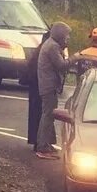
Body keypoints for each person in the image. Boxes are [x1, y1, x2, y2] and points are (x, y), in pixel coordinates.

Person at [35, 22, 77, 160]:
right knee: (48, 115)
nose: (68, 38)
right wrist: (75, 58)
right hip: (49, 86)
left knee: (48, 115)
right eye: (66, 35)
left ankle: (46, 144)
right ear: (60, 34)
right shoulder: (52, 46)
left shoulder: (51, 44)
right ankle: (42, 147)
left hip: (47, 84)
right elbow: (61, 65)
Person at [22, 32, 49, 150]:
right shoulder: (44, 51)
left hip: (34, 85)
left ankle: (36, 140)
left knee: (35, 114)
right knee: (38, 114)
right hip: (38, 85)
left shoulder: (39, 50)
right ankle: (38, 142)